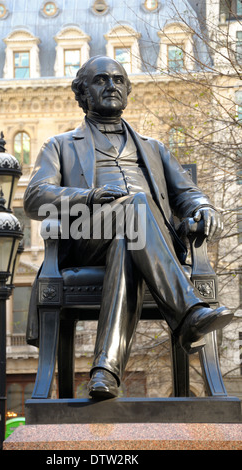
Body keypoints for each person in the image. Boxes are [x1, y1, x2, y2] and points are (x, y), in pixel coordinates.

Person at [24, 56, 233, 399]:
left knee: (128, 237)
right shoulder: (60, 145)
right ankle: (189, 311)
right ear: (83, 93)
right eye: (101, 80)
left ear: (127, 91)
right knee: (135, 207)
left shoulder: (153, 148)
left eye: (119, 80)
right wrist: (90, 196)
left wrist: (204, 208)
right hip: (87, 237)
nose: (112, 86)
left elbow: (189, 194)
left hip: (142, 239)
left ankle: (104, 372)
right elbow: (35, 198)